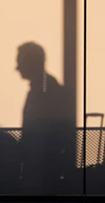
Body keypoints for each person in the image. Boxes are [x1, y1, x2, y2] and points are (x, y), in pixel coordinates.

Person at [16, 42, 75, 190]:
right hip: (42, 164)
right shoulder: (46, 87)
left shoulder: (45, 90)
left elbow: (44, 129)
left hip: (42, 167)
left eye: (21, 63)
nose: (17, 68)